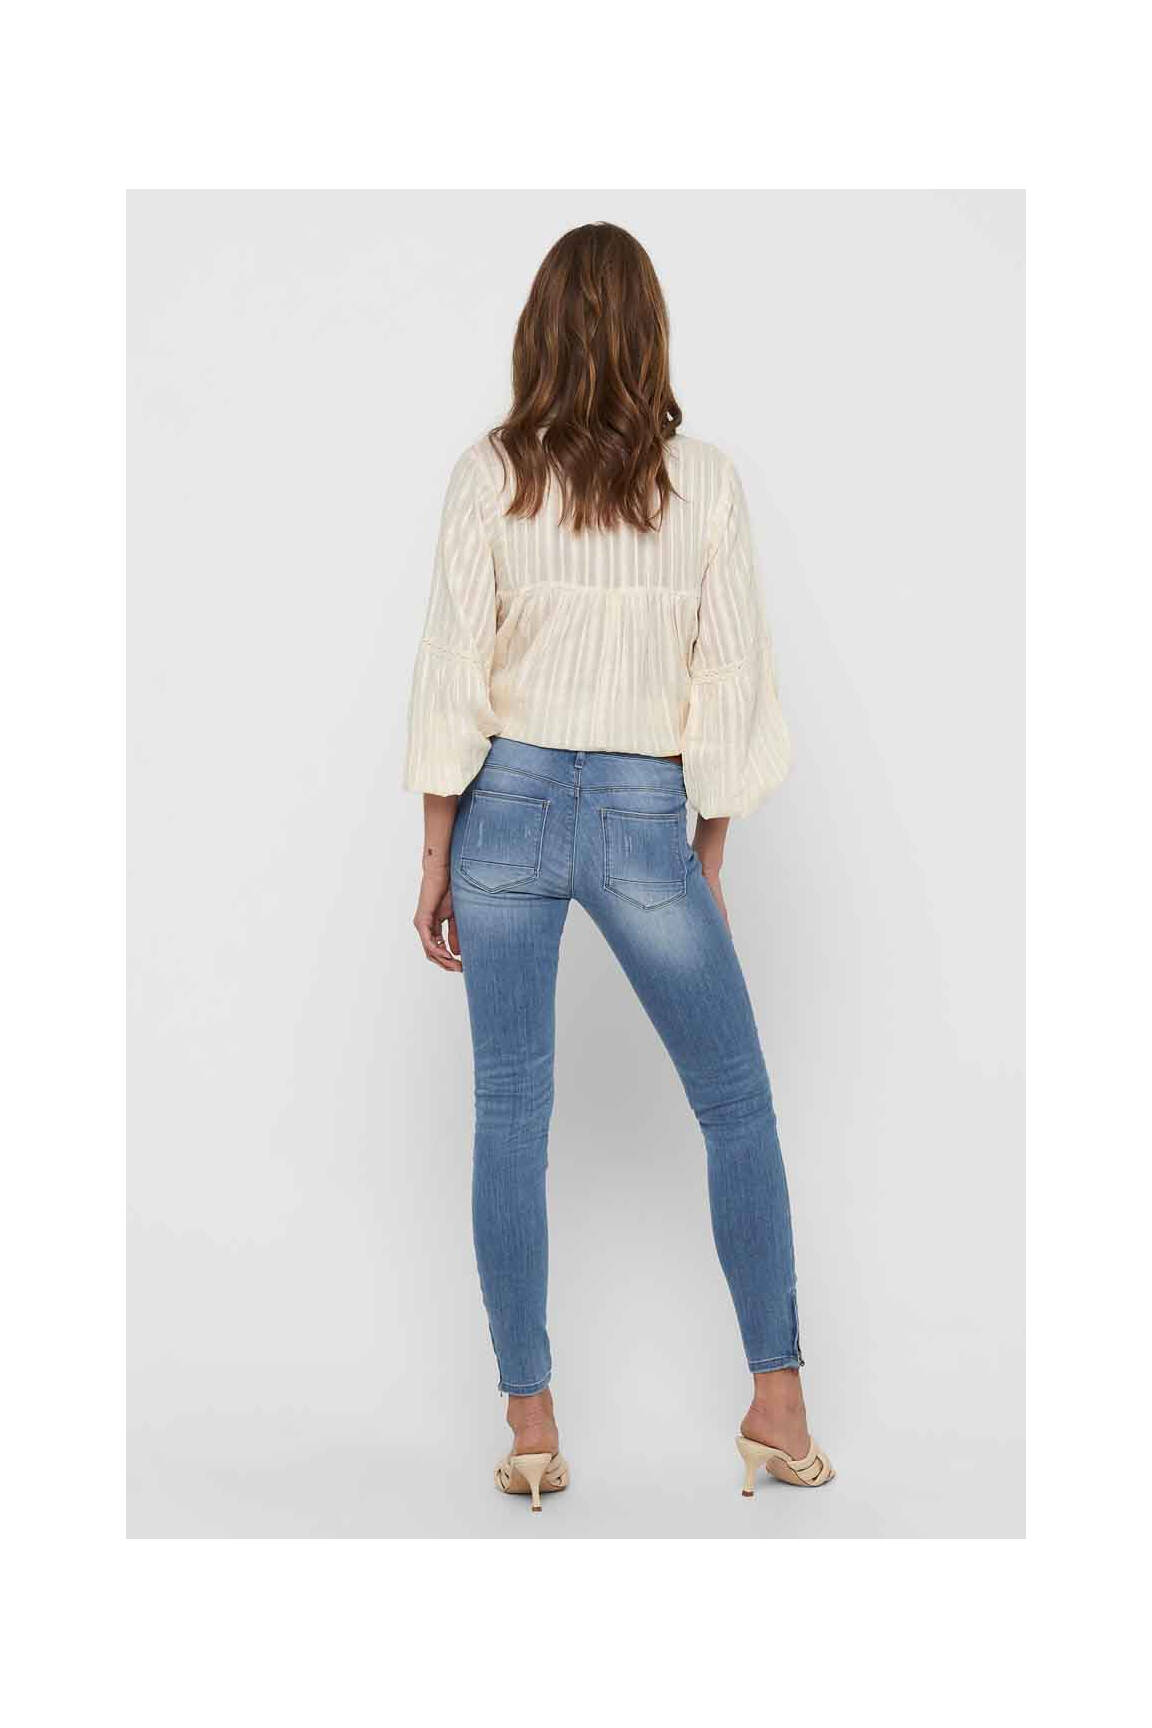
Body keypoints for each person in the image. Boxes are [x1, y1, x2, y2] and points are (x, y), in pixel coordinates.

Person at [404, 222, 832, 1511]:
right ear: (651, 334)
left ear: (538, 332)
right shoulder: (703, 482)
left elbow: (453, 671)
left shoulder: (489, 474)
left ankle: (530, 1429)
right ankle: (778, 1407)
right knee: (736, 1107)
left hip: (506, 804)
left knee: (508, 1117)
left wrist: (436, 854)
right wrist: (708, 852)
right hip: (645, 809)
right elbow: (729, 678)